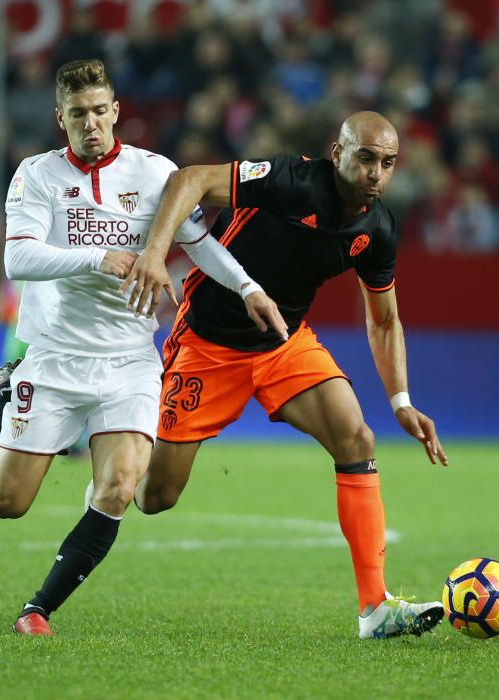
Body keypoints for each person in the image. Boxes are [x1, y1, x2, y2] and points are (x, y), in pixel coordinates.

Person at [0, 59, 286, 637]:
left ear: (115, 111)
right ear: (61, 118)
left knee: (118, 487)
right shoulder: (36, 175)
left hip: (130, 360)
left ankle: (38, 610)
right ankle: (7, 388)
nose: (90, 124)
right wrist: (98, 257)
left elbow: (199, 242)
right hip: (56, 356)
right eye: (77, 114)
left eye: (98, 111)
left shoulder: (154, 172)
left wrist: (248, 287)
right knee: (5, 503)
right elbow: (18, 259)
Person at [123, 111, 452, 639]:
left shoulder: (377, 228)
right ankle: (110, 447)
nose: (376, 173)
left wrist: (402, 401)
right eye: (366, 158)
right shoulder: (290, 180)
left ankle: (375, 608)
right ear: (337, 153)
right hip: (209, 345)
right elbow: (190, 179)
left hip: (283, 343)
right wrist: (156, 253)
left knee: (356, 438)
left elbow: (384, 321)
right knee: (154, 497)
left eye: (388, 163)